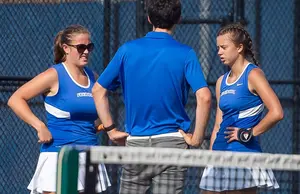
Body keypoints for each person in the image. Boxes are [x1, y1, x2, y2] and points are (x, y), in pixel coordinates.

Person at [92, 0, 211, 193]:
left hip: (136, 145)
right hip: (173, 144)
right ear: (178, 19)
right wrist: (197, 139)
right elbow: (205, 97)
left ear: (148, 18)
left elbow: (98, 90)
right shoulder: (186, 53)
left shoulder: (127, 50)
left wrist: (111, 130)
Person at [7, 24, 128, 194]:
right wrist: (40, 126)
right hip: (59, 156)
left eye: (89, 47)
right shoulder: (54, 75)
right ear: (66, 48)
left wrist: (103, 128)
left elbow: (100, 114)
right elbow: (15, 99)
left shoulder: (93, 77)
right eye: (81, 47)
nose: (86, 51)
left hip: (89, 156)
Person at [199, 23, 283, 194]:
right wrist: (210, 157)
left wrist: (249, 133)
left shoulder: (253, 75)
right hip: (218, 154)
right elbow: (217, 125)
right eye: (217, 48)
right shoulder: (221, 81)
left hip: (243, 154)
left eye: (224, 47)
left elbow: (277, 112)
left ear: (239, 47)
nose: (219, 52)